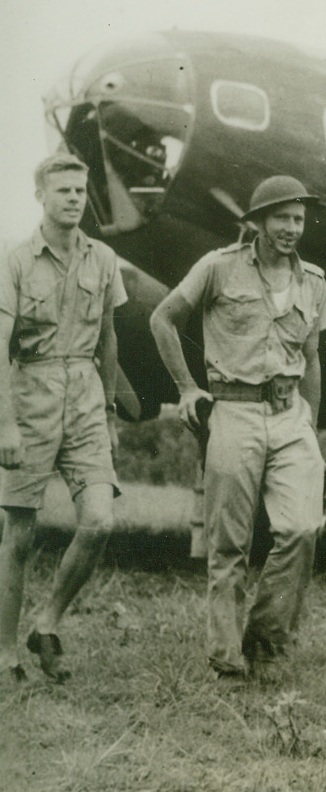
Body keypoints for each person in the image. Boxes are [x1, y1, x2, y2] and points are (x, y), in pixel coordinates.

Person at [149, 175, 326, 682]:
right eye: (281, 219)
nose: (291, 229)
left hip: (290, 414)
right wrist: (188, 388)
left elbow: (311, 358)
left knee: (302, 527)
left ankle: (267, 639)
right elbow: (163, 320)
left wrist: (310, 424)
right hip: (233, 411)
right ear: (258, 222)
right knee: (228, 543)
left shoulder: (312, 281)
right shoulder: (218, 267)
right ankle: (227, 655)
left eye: (298, 220)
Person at [0, 150, 127, 685]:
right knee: (20, 535)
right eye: (64, 191)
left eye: (80, 191)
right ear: (41, 197)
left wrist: (113, 414)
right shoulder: (16, 260)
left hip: (87, 397)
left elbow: (109, 340)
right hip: (30, 393)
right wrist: (4, 422)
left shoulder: (103, 259)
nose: (74, 199)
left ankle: (45, 623)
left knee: (99, 521)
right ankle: (5, 650)